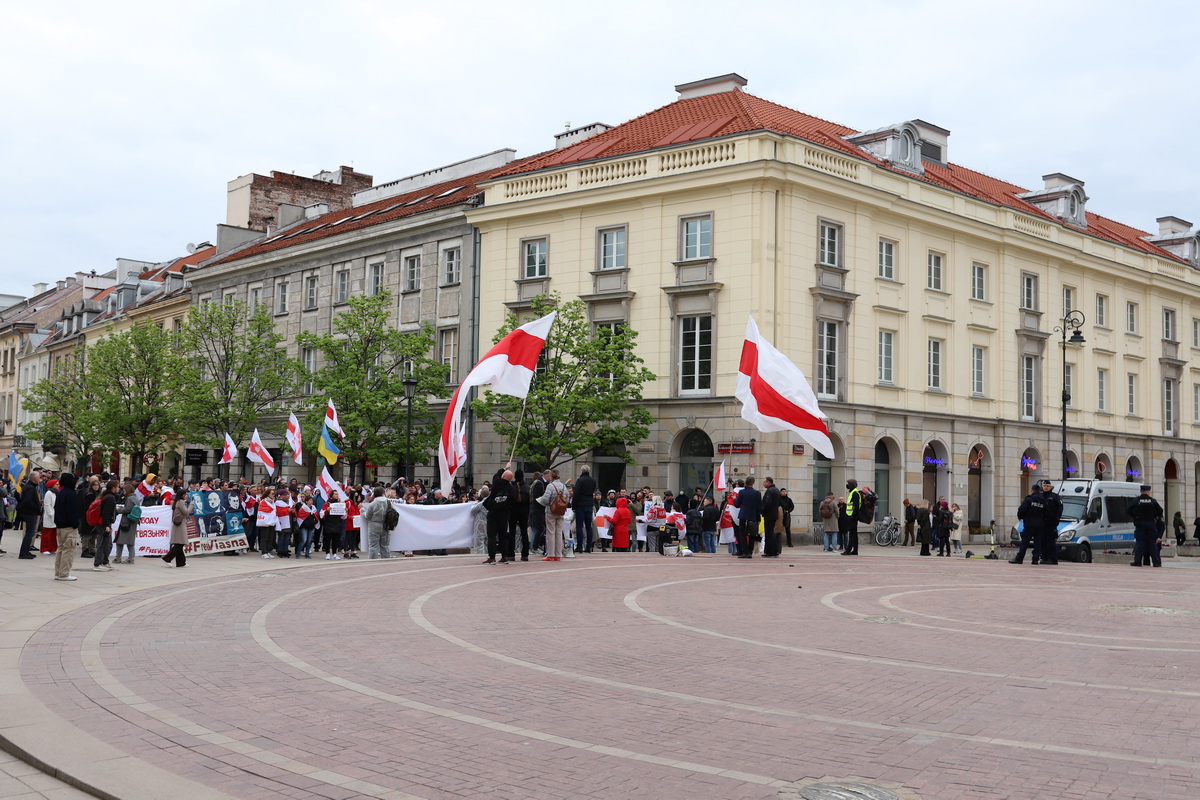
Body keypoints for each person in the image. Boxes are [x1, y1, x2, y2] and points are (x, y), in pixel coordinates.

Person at [1128, 485, 1164, 567]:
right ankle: (1156, 562)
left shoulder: (1137, 501)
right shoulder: (1152, 501)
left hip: (1140, 524)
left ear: (1141, 491)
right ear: (1148, 492)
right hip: (1151, 524)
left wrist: (1135, 515)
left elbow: (1128, 509)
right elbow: (1160, 511)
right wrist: (1154, 515)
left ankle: (1137, 561)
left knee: (1140, 543)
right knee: (1152, 543)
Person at [52, 474, 80, 581]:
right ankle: (64, 573)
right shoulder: (71, 494)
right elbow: (72, 511)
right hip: (69, 526)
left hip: (60, 525)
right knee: (69, 549)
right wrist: (75, 524)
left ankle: (58, 572)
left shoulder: (61, 492)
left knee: (61, 549)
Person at [1010, 483, 1046, 565]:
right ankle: (1035, 560)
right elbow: (1047, 512)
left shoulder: (1028, 500)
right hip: (1040, 525)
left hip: (1029, 524)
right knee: (1038, 543)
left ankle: (1019, 559)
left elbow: (1021, 510)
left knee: (1025, 542)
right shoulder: (1043, 501)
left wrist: (1022, 518)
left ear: (1032, 490)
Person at [483, 469, 513, 564]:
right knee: (503, 536)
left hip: (493, 513)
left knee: (491, 535)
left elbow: (496, 475)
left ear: (503, 476)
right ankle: (504, 556)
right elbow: (512, 502)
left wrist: (504, 468)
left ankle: (492, 557)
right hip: (504, 515)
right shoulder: (511, 488)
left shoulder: (497, 483)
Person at [17, 468, 43, 559]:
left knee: (30, 533)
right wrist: (37, 507)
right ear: (34, 479)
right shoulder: (30, 488)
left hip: (30, 513)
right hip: (30, 513)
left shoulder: (30, 487)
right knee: (29, 533)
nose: (40, 479)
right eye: (39, 477)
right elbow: (28, 502)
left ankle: (26, 550)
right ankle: (24, 552)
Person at [92, 480, 119, 571]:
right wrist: (107, 525)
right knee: (102, 544)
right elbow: (105, 513)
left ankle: (105, 561)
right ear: (113, 488)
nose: (119, 489)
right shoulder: (110, 498)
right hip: (103, 524)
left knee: (107, 544)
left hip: (104, 523)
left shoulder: (107, 496)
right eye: (117, 487)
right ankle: (98, 563)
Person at [162, 490, 192, 568]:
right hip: (180, 524)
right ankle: (167, 558)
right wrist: (191, 505)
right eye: (185, 494)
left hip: (178, 524)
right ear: (182, 495)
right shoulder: (181, 502)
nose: (186, 496)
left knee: (179, 543)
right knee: (180, 543)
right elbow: (186, 512)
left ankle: (181, 562)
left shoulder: (177, 501)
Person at [734, 476, 761, 559]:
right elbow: (759, 507)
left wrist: (735, 499)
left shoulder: (742, 492)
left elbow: (737, 504)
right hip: (753, 516)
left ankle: (745, 551)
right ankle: (750, 551)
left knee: (742, 534)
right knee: (752, 535)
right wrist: (758, 518)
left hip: (743, 515)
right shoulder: (757, 493)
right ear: (753, 483)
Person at [362, 487, 393, 559]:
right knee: (385, 546)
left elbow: (367, 516)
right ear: (383, 493)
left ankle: (373, 562)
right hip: (385, 525)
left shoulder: (372, 504)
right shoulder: (389, 502)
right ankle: (386, 560)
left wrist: (362, 511)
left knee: (373, 546)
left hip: (374, 525)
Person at [572, 465, 597, 553]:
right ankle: (588, 546)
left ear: (582, 471)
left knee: (579, 526)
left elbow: (576, 494)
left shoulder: (580, 480)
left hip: (580, 505)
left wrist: (573, 506)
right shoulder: (593, 480)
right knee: (588, 526)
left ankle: (579, 546)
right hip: (589, 504)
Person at [1037, 480, 1061, 564]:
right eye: (1044, 486)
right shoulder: (1039, 496)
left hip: (1051, 522)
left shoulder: (1055, 497)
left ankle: (1053, 559)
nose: (1046, 487)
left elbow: (1060, 509)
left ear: (1050, 487)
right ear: (1042, 487)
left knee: (1051, 541)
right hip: (1041, 522)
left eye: (1047, 486)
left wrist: (1057, 519)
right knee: (1043, 541)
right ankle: (1045, 558)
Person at [113, 482, 138, 564]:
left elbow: (128, 509)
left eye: (124, 490)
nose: (123, 492)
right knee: (130, 542)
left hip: (126, 522)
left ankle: (118, 558)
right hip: (133, 521)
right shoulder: (136, 498)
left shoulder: (129, 499)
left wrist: (119, 510)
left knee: (120, 541)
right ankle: (131, 558)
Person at [510, 470, 531, 561]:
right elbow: (530, 502)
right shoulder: (527, 488)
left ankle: (511, 554)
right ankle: (525, 554)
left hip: (513, 511)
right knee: (524, 533)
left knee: (512, 533)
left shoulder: (511, 487)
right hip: (524, 511)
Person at [760, 477, 781, 557]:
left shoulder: (770, 491)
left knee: (769, 533)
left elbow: (767, 503)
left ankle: (770, 551)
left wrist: (763, 510)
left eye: (764, 482)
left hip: (769, 515)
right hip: (773, 514)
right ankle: (775, 550)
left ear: (768, 482)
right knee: (771, 532)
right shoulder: (776, 490)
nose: (763, 484)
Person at [256, 488, 278, 559]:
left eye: (274, 494)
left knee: (270, 537)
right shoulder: (263, 501)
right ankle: (264, 552)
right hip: (265, 522)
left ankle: (268, 551)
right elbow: (262, 511)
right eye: (272, 493)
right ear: (268, 494)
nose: (273, 495)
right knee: (264, 537)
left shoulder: (273, 502)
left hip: (271, 521)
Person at [840, 479, 861, 555]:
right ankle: (855, 550)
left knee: (852, 534)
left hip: (852, 517)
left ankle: (848, 550)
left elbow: (856, 507)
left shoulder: (855, 493)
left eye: (848, 484)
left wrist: (853, 516)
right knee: (854, 534)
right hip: (851, 516)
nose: (847, 485)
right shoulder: (853, 492)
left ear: (851, 485)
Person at [529, 471, 547, 555]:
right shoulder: (540, 484)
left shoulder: (537, 482)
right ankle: (535, 546)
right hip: (538, 509)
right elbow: (537, 496)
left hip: (534, 509)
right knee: (540, 528)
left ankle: (534, 546)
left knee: (536, 529)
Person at [40, 478, 59, 554]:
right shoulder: (49, 493)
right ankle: (45, 548)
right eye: (56, 484)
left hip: (55, 516)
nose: (58, 486)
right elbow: (47, 505)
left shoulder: (55, 493)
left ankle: (52, 548)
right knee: (47, 533)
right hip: (50, 516)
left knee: (53, 534)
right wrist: (51, 514)